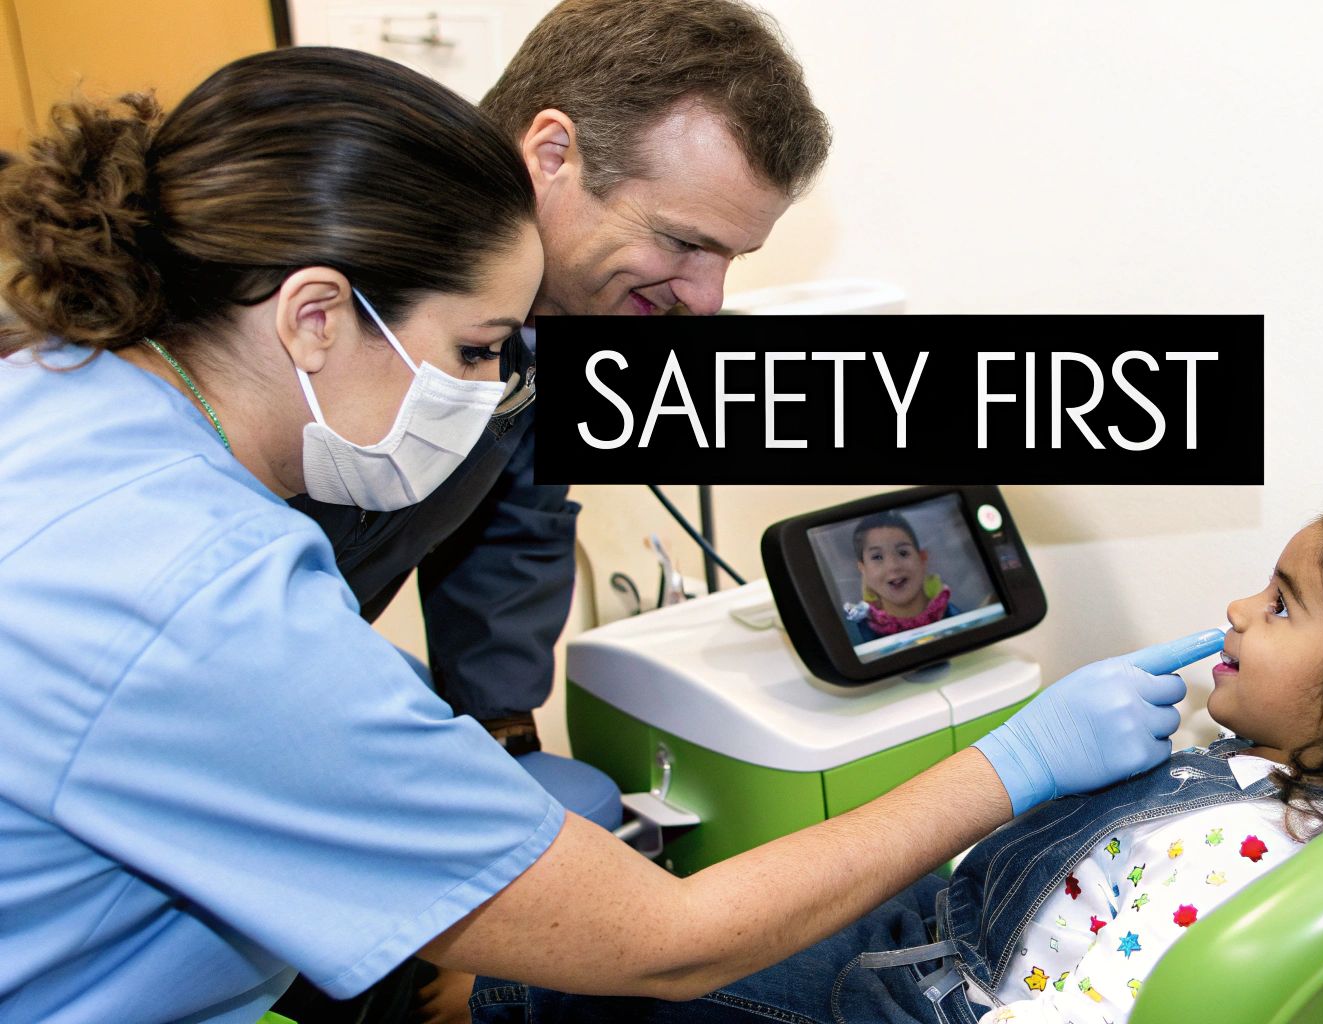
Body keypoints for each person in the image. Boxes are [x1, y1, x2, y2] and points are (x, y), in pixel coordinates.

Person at [0, 48, 1199, 1024]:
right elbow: (664, 943)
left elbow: (514, 539)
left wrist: (490, 741)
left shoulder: (68, 389)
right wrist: (1013, 764)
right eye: (477, 350)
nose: (492, 385)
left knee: (567, 797)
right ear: (315, 317)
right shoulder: (205, 600)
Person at [481, 500, 1323, 1023]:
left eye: (1281, 604)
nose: (1235, 609)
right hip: (939, 914)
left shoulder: (1232, 865)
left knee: (584, 989)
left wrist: (1018, 765)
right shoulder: (1277, 768)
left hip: (927, 994)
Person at [287, 0, 833, 790]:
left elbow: (514, 523)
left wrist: (502, 735)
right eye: (683, 241)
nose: (707, 298)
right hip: (206, 669)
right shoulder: (354, 273)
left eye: (733, 258)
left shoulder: (573, 308)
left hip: (307, 643)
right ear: (552, 154)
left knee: (578, 800)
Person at [846, 512, 966, 644]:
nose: (893, 566)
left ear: (922, 559)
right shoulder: (859, 635)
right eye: (877, 557)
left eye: (903, 553)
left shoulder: (956, 619)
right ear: (863, 569)